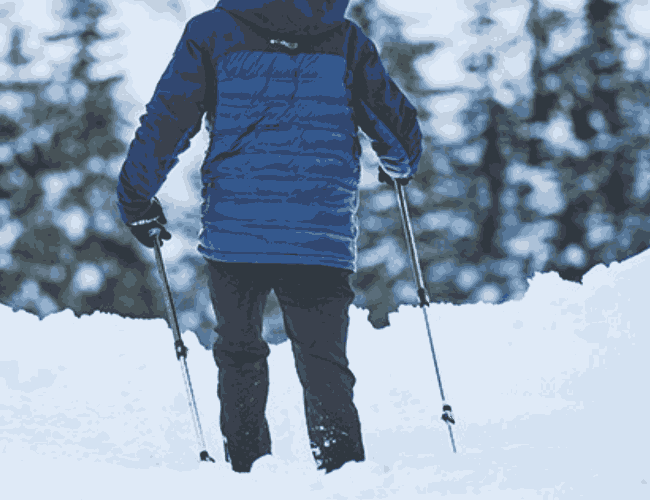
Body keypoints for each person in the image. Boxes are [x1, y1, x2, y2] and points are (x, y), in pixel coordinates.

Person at [115, 0, 423, 474]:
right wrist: (398, 166)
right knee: (324, 361)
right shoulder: (344, 39)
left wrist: (136, 197)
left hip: (236, 229)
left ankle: (247, 471)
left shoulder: (212, 31)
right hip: (320, 231)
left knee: (239, 353)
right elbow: (394, 126)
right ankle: (343, 473)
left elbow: (169, 118)